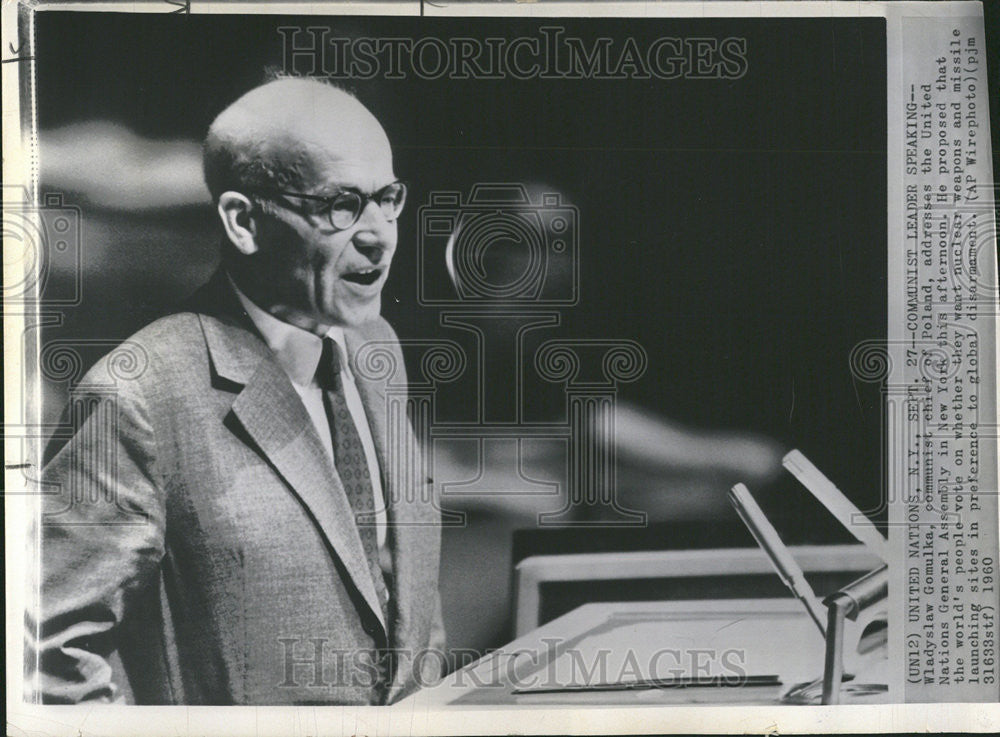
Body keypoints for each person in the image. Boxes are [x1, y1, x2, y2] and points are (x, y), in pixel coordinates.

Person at [32, 77, 445, 705]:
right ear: (244, 220)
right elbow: (45, 659)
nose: (380, 234)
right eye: (342, 204)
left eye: (388, 198)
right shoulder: (137, 395)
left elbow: (409, 608)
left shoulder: (375, 347)